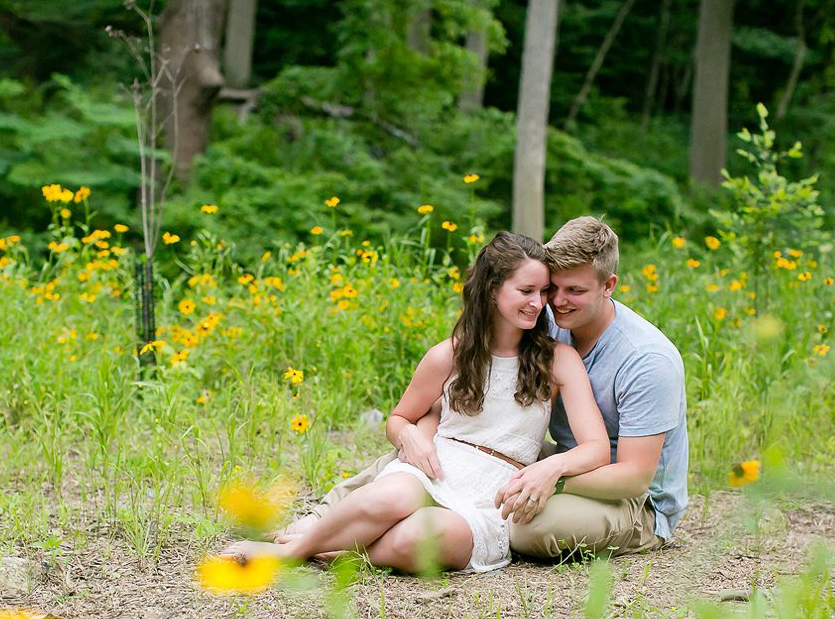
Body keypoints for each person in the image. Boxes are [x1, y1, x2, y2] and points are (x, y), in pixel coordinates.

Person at [283, 216, 688, 561]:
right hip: (560, 460)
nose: (556, 303)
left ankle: (351, 543)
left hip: (628, 494)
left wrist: (545, 474)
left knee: (524, 526)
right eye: (550, 289)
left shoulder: (646, 360)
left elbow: (633, 476)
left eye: (574, 291)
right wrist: (412, 433)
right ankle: (328, 518)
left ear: (608, 285)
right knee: (442, 439)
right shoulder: (546, 321)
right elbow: (458, 403)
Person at [223, 231, 610, 573]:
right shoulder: (450, 355)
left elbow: (596, 449)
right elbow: (399, 418)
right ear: (492, 289)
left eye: (543, 292)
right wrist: (407, 433)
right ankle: (291, 553)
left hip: (494, 490)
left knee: (418, 537)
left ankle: (337, 553)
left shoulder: (558, 359)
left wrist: (552, 467)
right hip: (438, 464)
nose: (538, 303)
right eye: (526, 291)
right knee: (390, 495)